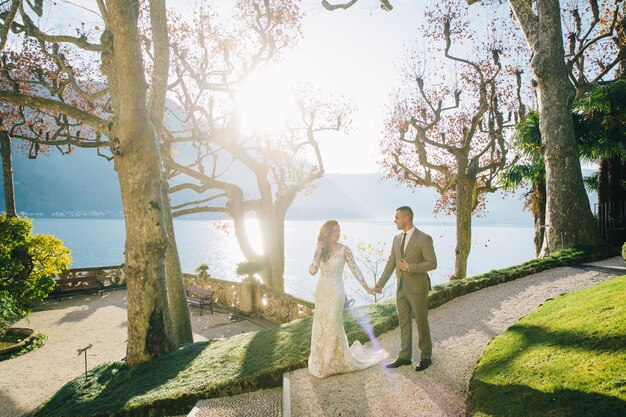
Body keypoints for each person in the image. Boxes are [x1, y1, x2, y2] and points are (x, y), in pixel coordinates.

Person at [308, 220, 388, 378]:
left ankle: (332, 362)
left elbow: (355, 270)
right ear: (327, 233)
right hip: (322, 291)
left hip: (336, 292)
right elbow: (312, 271)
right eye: (335, 231)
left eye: (339, 231)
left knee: (332, 323)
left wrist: (367, 288)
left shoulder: (345, 250)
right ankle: (322, 361)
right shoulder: (320, 250)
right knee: (321, 325)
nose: (338, 234)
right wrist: (318, 251)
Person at [374, 206, 437, 372]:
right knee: (403, 323)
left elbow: (432, 263)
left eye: (397, 217)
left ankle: (426, 356)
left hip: (417, 288)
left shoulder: (424, 238)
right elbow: (391, 262)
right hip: (400, 288)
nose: (394, 220)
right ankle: (404, 356)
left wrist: (410, 267)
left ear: (407, 218)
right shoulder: (396, 238)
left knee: (422, 323)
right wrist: (381, 283)